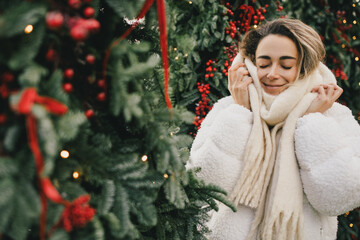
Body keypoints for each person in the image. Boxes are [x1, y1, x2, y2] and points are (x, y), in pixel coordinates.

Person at [186, 18, 360, 240]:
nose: (272, 74)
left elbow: (340, 197)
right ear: (250, 64)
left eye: (286, 65)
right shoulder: (228, 110)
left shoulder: (330, 114)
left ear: (303, 66)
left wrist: (311, 121)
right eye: (264, 63)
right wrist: (240, 114)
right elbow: (200, 190)